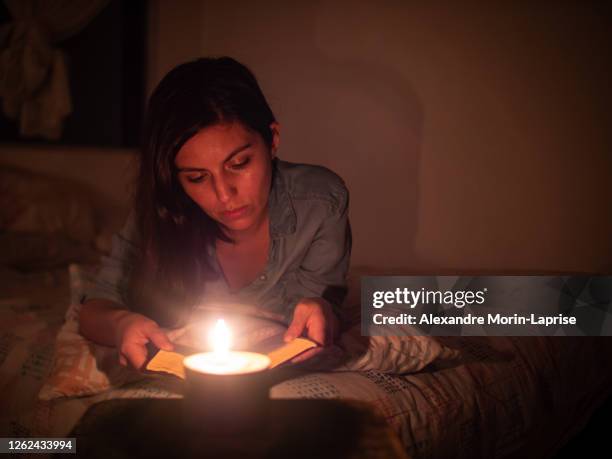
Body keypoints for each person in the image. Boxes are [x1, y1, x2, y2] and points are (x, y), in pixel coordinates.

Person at [79, 57, 351, 370]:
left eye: (239, 164)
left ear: (273, 139)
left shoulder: (319, 202)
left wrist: (323, 310)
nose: (224, 195)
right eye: (197, 177)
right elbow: (94, 307)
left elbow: (326, 303)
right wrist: (120, 324)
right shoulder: (163, 210)